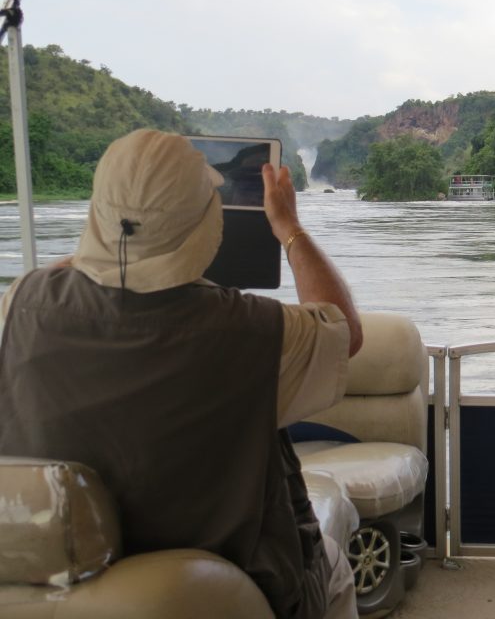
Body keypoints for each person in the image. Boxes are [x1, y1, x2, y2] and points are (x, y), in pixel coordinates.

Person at [0, 129, 363, 619]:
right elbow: (343, 327)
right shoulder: (256, 332)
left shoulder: (19, 305)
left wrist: (114, 240)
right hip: (228, 586)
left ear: (97, 211)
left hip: (57, 580)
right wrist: (289, 227)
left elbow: (80, 271)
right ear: (208, 222)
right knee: (334, 566)